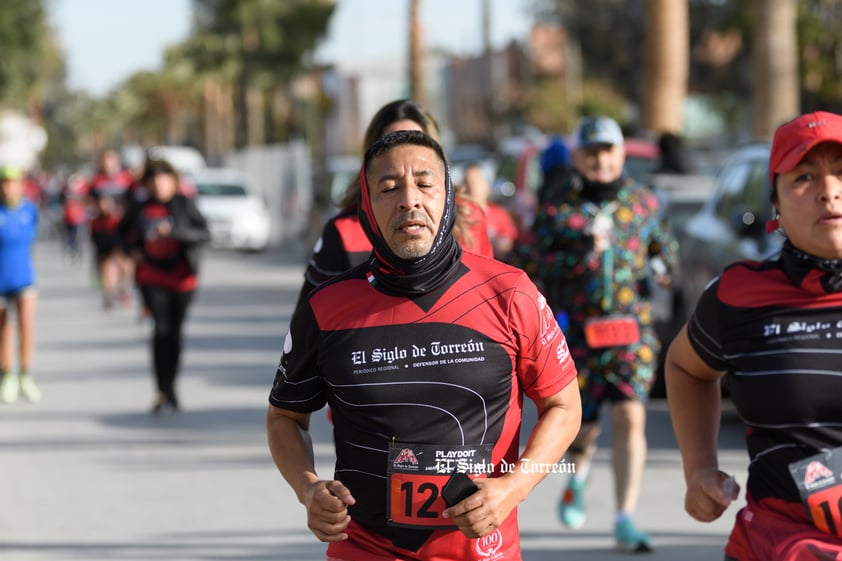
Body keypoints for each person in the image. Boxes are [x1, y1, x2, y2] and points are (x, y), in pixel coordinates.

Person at [267, 130, 582, 560]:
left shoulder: (510, 292)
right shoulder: (326, 308)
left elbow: (564, 406)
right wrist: (308, 488)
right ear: (368, 207)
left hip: (483, 550)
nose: (409, 200)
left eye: (425, 182)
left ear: (448, 196)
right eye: (389, 187)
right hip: (366, 548)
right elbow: (285, 416)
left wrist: (514, 487)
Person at [665, 111, 842, 561]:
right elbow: (686, 366)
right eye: (805, 176)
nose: (829, 190)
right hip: (777, 543)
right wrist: (699, 470)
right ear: (776, 207)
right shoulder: (738, 294)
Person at [515, 115, 679, 552]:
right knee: (581, 429)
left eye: (607, 151)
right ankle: (578, 478)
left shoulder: (644, 204)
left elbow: (665, 248)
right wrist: (577, 256)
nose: (600, 160)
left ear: (621, 154)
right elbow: (528, 264)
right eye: (591, 152)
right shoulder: (558, 209)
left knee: (630, 416)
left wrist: (662, 268)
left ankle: (625, 515)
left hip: (631, 332)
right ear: (577, 158)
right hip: (578, 335)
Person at [297, 98, 492, 308]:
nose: (409, 201)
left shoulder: (468, 216)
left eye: (416, 141)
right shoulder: (344, 232)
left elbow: (485, 292)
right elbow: (314, 319)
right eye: (394, 142)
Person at [117, 157, 210, 414]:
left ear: (174, 182)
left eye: (164, 180)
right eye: (154, 181)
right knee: (161, 329)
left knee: (176, 333)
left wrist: (174, 233)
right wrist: (132, 251)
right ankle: (161, 389)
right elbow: (122, 234)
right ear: (147, 184)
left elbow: (203, 233)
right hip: (152, 275)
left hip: (182, 277)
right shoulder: (139, 207)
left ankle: (171, 387)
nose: (159, 186)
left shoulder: (184, 204)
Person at [0, 165, 41, 403]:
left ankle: (26, 373)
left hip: (24, 278)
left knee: (26, 325)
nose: (8, 188)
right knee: (4, 330)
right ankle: (7, 374)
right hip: (1, 280)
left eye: (12, 182)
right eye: (4, 183)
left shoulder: (30, 210)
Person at [87, 149, 135, 307]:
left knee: (124, 262)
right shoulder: (96, 180)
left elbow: (134, 200)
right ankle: (108, 294)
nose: (108, 164)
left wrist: (124, 211)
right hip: (101, 228)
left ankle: (123, 289)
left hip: (121, 227)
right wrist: (99, 207)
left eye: (111, 160)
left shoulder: (126, 179)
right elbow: (88, 201)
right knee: (106, 263)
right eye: (105, 161)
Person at [461, 162, 518, 261]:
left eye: (475, 181)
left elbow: (510, 239)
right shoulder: (459, 214)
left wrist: (501, 243)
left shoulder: (499, 213)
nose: (471, 186)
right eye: (467, 181)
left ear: (487, 185)